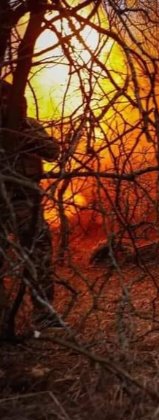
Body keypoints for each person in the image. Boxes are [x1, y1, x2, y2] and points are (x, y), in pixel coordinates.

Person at [0, 80, 61, 330]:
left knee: (39, 252)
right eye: (1, 100)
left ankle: (43, 313)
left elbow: (52, 151)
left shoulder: (30, 125)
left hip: (26, 200)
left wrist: (22, 132)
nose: (6, 105)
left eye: (10, 100)